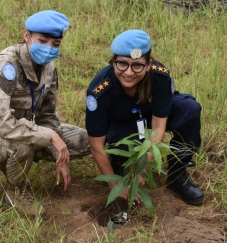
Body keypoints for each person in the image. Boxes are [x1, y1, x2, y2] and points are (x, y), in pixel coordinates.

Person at [0, 10, 90, 216]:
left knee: (86, 140)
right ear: (26, 36)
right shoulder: (7, 65)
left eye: (55, 44)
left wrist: (59, 151)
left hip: (22, 129)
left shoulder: (49, 69)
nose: (49, 48)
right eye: (43, 40)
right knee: (23, 143)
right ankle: (15, 191)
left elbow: (47, 117)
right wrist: (49, 137)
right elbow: (1, 123)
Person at [85, 29, 204, 206]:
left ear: (148, 64)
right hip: (121, 120)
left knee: (189, 110)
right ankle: (118, 164)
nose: (129, 72)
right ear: (113, 62)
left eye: (137, 65)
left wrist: (143, 168)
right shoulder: (100, 91)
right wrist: (114, 185)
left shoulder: (159, 76)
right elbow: (96, 146)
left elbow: (157, 128)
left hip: (148, 114)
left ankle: (177, 175)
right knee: (125, 147)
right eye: (122, 64)